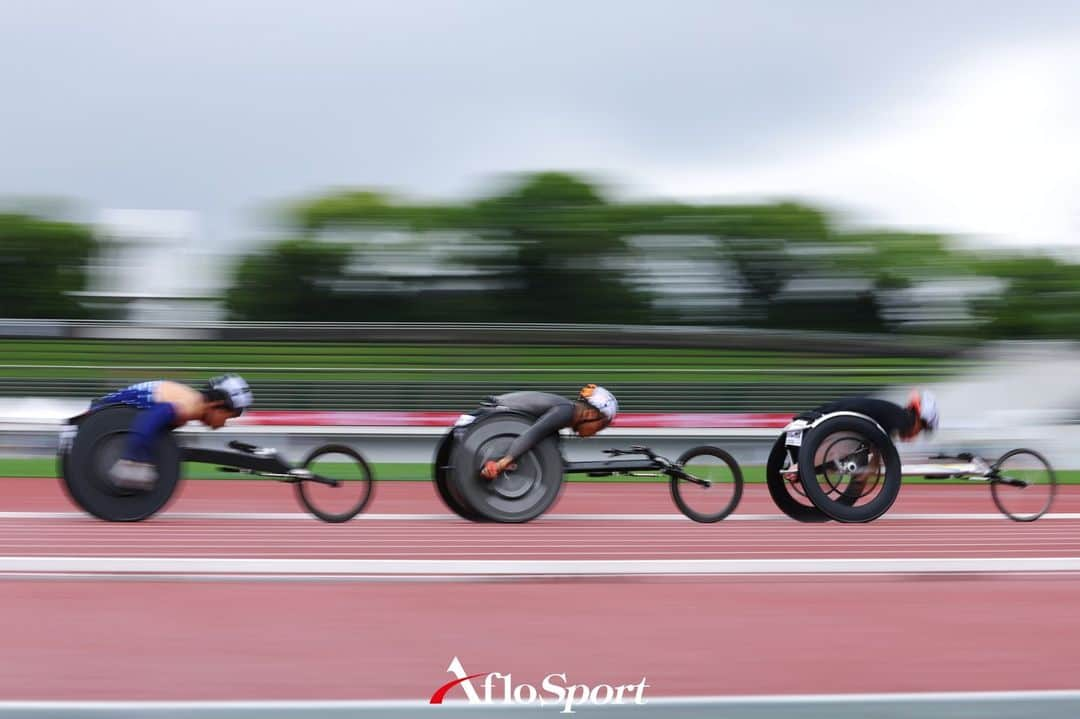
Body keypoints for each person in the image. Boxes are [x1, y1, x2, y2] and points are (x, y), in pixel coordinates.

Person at [88, 374, 253, 491]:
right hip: (100, 415)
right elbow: (147, 421)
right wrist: (134, 460)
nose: (223, 424)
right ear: (217, 403)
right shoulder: (189, 406)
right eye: (227, 417)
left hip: (108, 418)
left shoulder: (189, 404)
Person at [479, 384, 618, 480]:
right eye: (600, 426)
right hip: (494, 415)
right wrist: (501, 464)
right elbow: (533, 434)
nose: (595, 433)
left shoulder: (562, 416)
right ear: (590, 414)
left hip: (494, 414)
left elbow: (552, 452)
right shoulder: (566, 411)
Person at [800, 389, 939, 440]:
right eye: (920, 430)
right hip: (829, 417)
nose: (915, 437)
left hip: (822, 413)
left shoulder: (893, 413)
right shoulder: (901, 419)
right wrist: (870, 470)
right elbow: (885, 449)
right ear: (917, 420)